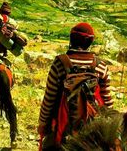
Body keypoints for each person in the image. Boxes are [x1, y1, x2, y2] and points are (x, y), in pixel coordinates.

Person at [38, 22, 113, 150]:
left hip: (64, 124)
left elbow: (49, 98)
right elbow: (107, 100)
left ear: (71, 39)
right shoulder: (101, 65)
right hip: (95, 124)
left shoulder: (60, 63)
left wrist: (43, 123)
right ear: (90, 42)